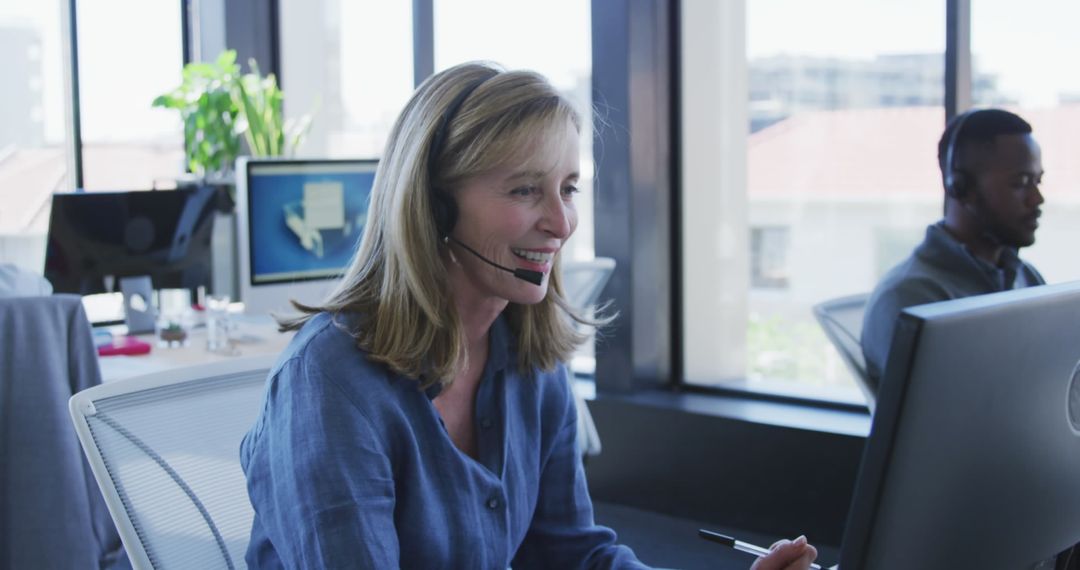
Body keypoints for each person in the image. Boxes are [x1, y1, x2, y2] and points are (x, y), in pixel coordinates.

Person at [239, 62, 818, 569]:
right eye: (524, 191)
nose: (562, 224)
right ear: (434, 206)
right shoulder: (331, 381)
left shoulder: (528, 356)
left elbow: (572, 555)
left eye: (567, 188)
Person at [861, 108, 1046, 392]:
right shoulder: (911, 299)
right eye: (1020, 182)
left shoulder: (1025, 278)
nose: (1037, 198)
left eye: (1037, 181)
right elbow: (945, 425)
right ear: (962, 188)